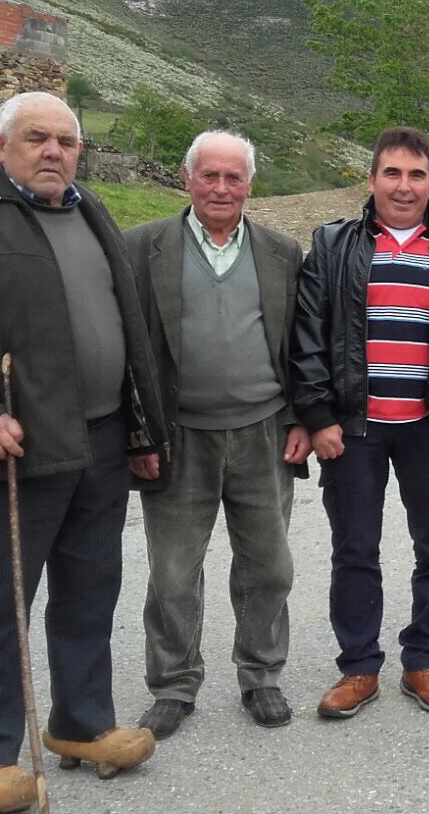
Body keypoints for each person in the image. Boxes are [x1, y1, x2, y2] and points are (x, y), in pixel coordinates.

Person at [0, 91, 167, 812]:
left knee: (90, 588)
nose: (54, 151)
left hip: (102, 436)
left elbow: (124, 327)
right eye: (37, 138)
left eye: (66, 141)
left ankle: (80, 723)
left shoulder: (88, 208)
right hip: (18, 445)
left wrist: (140, 432)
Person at [291, 126, 429, 718]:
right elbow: (307, 338)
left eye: (416, 175)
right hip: (353, 429)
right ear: (372, 178)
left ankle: (422, 660)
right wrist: (319, 415)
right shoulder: (333, 246)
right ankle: (358, 667)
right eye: (392, 173)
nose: (404, 187)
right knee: (354, 548)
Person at [124, 131, 312, 739]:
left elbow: (302, 348)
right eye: (210, 176)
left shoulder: (284, 253)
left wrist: (302, 418)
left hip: (263, 432)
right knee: (174, 571)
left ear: (250, 185)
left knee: (269, 566)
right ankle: (174, 685)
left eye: (234, 178)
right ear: (188, 179)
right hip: (179, 436)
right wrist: (139, 436)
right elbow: (127, 354)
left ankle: (261, 675)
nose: (222, 188)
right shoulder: (142, 248)